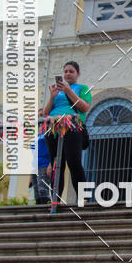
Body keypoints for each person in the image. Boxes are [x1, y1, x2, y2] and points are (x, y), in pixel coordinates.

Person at [43, 61, 91, 210]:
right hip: (54, 128)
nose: (68, 74)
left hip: (72, 126)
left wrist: (69, 91)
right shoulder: (57, 92)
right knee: (57, 165)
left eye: (71, 71)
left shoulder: (82, 88)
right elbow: (45, 113)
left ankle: (83, 198)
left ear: (77, 74)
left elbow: (84, 107)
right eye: (65, 71)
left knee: (74, 162)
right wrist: (52, 97)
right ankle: (55, 200)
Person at [29, 112, 52, 205]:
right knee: (36, 191)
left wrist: (51, 164)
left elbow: (53, 149)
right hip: (35, 166)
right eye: (39, 116)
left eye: (43, 115)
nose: (41, 117)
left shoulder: (49, 132)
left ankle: (45, 210)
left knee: (43, 189)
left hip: (45, 164)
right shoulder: (37, 136)